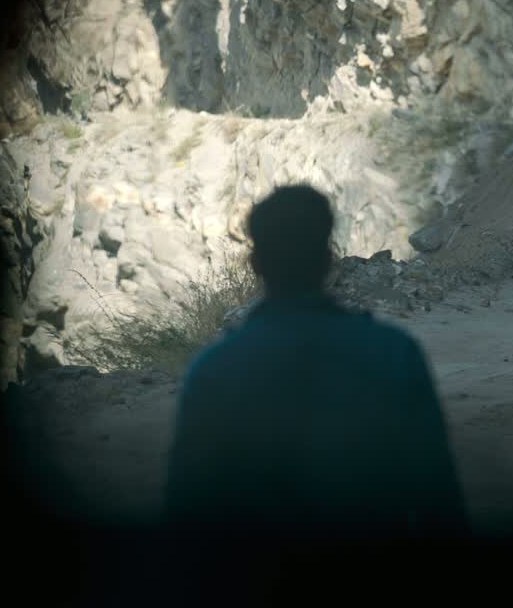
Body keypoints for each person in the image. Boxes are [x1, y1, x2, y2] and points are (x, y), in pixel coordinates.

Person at [164, 184, 469, 541]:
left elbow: (185, 512)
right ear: (328, 258)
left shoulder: (212, 370)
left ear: (255, 264)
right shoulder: (395, 353)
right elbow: (440, 500)